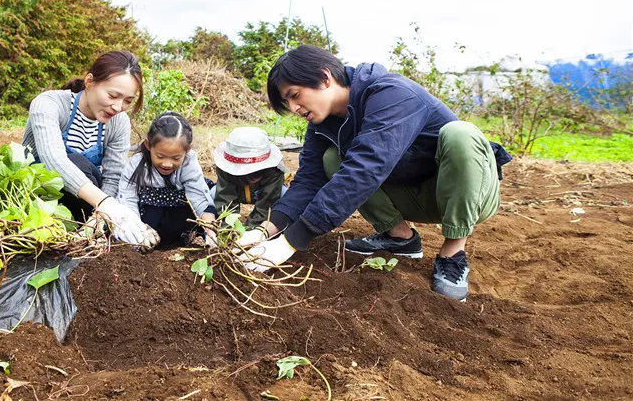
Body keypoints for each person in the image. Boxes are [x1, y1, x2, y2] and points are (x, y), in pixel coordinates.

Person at [239, 45, 511, 301]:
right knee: (331, 158)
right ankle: (401, 238)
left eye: (295, 96)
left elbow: (367, 168)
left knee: (460, 134)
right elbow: (309, 180)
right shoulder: (322, 125)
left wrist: (291, 241)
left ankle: (453, 253)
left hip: (467, 195)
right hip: (412, 194)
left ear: (324, 78)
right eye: (289, 104)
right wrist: (266, 230)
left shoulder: (392, 94)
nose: (295, 109)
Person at [22, 50, 159, 250]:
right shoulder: (49, 104)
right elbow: (54, 161)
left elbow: (113, 177)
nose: (118, 107)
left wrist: (99, 217)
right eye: (113, 95)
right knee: (78, 164)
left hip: (83, 206)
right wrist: (105, 203)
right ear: (89, 81)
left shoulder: (118, 122)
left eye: (128, 101)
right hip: (36, 196)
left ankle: (92, 231)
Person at [117, 111, 217, 246]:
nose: (167, 164)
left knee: (211, 195)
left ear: (187, 150)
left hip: (181, 210)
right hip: (150, 213)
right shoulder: (135, 165)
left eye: (176, 158)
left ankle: (189, 236)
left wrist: (210, 231)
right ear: (148, 145)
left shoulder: (189, 161)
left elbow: (198, 196)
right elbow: (127, 200)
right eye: (160, 156)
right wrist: (138, 232)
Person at [212, 127, 288, 227]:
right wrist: (228, 230)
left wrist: (252, 231)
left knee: (285, 195)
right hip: (239, 193)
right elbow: (224, 200)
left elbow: (266, 206)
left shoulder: (275, 171)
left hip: (263, 195)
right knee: (213, 193)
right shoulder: (224, 169)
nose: (253, 178)